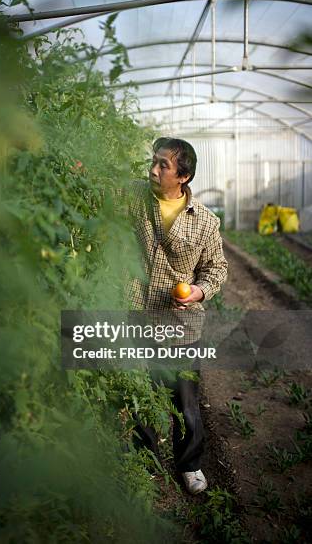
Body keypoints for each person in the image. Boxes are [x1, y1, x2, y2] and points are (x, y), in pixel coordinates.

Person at [125, 137, 228, 495]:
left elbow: (216, 269)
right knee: (142, 393)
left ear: (182, 176)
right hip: (137, 312)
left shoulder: (205, 221)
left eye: (163, 165)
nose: (153, 170)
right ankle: (144, 460)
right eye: (153, 161)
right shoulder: (134, 197)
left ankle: (190, 464)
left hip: (180, 324)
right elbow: (98, 187)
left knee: (184, 399)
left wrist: (199, 291)